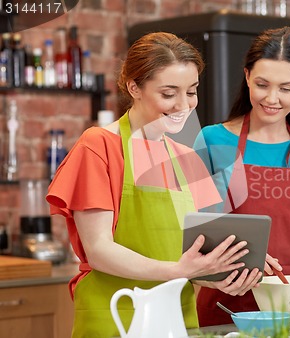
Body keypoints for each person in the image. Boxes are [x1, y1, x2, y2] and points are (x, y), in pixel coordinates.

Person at [46, 32, 262, 337]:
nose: (184, 105)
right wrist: (179, 272)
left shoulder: (189, 158)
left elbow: (193, 259)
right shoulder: (99, 146)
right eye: (169, 93)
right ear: (134, 87)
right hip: (116, 317)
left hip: (178, 319)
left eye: (191, 91)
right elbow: (99, 249)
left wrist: (224, 272)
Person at [194, 26, 290, 326]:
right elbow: (198, 229)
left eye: (285, 88)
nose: (272, 98)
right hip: (228, 305)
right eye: (263, 84)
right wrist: (245, 255)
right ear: (247, 76)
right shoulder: (212, 140)